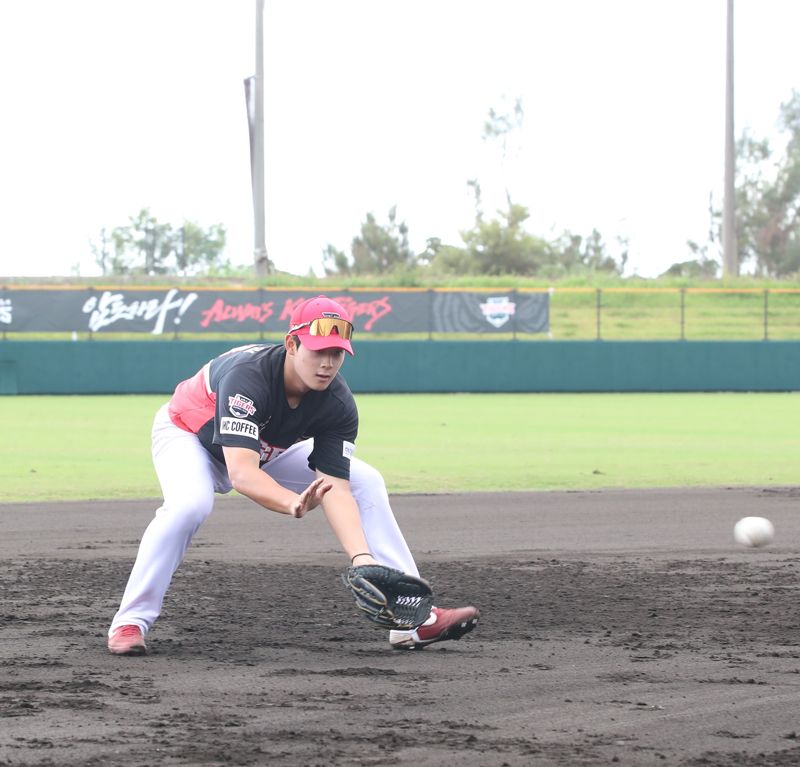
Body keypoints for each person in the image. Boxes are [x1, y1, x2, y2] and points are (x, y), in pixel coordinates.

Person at [108, 295, 479, 655]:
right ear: (291, 343)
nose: (327, 363)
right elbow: (241, 473)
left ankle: (413, 619)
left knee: (367, 480)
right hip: (189, 437)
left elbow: (335, 486)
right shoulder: (248, 378)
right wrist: (291, 502)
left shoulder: (337, 403)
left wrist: (361, 558)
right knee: (189, 505)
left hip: (265, 446)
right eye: (318, 351)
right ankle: (131, 622)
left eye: (337, 354)